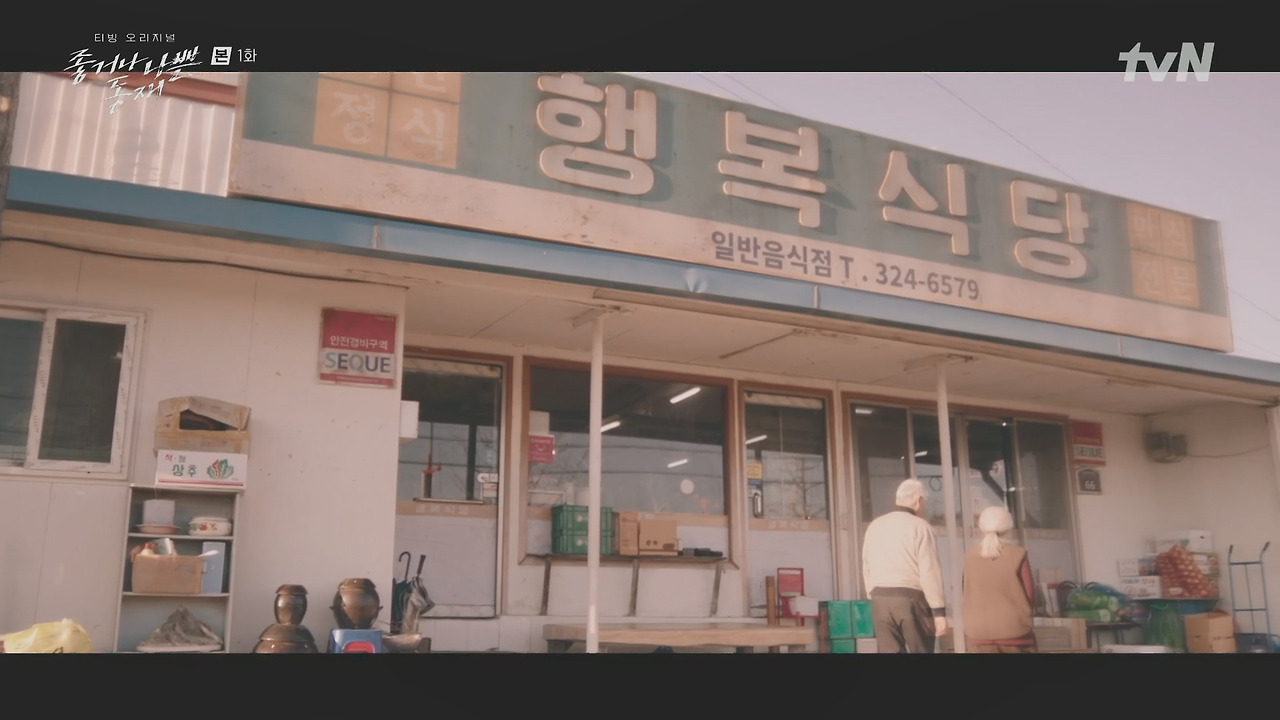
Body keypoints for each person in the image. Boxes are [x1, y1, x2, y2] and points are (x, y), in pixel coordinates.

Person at [861, 478, 948, 653]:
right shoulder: (921, 527)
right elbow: (930, 571)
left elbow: (866, 564)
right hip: (911, 598)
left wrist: (872, 594)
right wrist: (938, 611)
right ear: (918, 500)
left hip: (880, 598)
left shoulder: (875, 526)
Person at [962, 505, 1036, 653]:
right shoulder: (1018, 554)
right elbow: (1030, 594)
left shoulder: (970, 556)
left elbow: (966, 591)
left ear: (981, 528)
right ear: (1008, 527)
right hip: (1016, 633)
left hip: (978, 634)